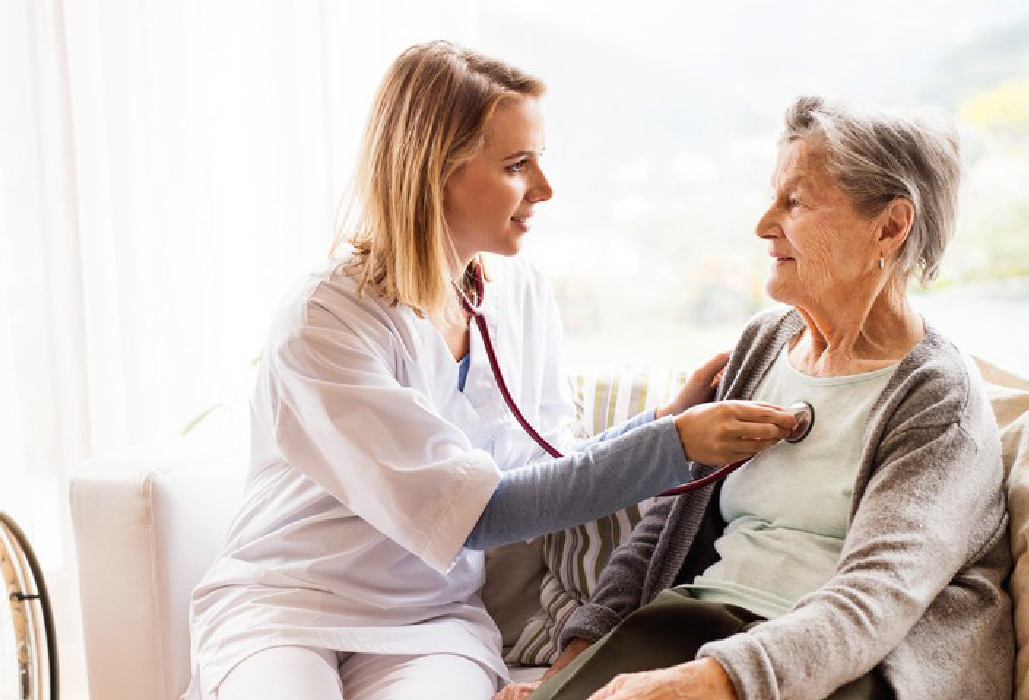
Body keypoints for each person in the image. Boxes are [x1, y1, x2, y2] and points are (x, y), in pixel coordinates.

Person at [186, 41, 806, 700]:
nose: (544, 188)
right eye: (517, 165)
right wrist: (673, 445)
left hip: (429, 620)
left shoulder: (520, 294)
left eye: (541, 160)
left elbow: (540, 472)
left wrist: (661, 423)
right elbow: (482, 513)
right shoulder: (326, 320)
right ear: (430, 171)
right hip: (289, 608)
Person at [498, 96, 1013, 700]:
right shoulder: (765, 342)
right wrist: (573, 667)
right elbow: (665, 529)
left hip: (844, 664)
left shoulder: (936, 397)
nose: (764, 224)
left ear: (891, 227)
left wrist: (710, 681)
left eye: (794, 201)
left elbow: (876, 598)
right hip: (694, 627)